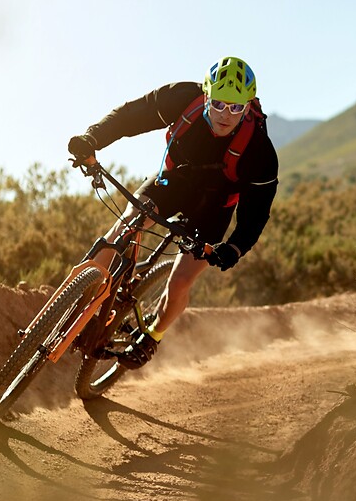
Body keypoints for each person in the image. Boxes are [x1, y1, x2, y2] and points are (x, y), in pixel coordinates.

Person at [68, 56, 279, 369]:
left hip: (214, 208)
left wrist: (233, 248)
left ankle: (153, 334)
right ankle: (81, 304)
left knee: (179, 282)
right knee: (124, 227)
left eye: (236, 107)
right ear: (206, 94)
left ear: (249, 106)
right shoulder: (182, 98)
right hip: (172, 183)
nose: (226, 114)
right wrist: (92, 138)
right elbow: (130, 116)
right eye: (219, 103)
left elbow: (257, 212)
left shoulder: (259, 151)